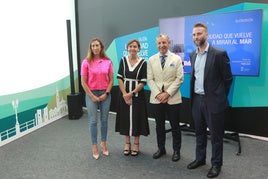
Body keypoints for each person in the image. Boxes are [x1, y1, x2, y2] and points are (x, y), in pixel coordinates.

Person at [187, 23, 233, 178]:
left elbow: (227, 79)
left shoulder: (219, 54)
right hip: (197, 101)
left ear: (206, 35)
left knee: (216, 136)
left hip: (213, 102)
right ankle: (200, 159)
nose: (196, 37)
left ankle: (216, 164)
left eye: (199, 34)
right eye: (193, 34)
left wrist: (219, 97)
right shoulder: (193, 55)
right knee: (199, 133)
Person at [147, 34, 184, 162]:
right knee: (159, 125)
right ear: (156, 45)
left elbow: (179, 79)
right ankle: (161, 148)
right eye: (159, 43)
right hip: (157, 98)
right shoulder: (151, 60)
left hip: (172, 98)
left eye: (164, 42)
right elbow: (150, 79)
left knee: (175, 126)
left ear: (169, 43)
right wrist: (158, 94)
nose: (162, 45)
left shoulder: (177, 59)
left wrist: (167, 93)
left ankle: (176, 151)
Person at [81, 38, 114, 160]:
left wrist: (106, 93)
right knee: (93, 121)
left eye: (97, 45)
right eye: (93, 45)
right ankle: (94, 146)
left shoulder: (108, 62)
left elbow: (111, 80)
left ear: (101, 47)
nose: (95, 47)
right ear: (91, 48)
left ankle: (103, 144)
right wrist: (92, 96)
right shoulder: (86, 62)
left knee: (104, 120)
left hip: (106, 93)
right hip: (91, 93)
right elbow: (83, 82)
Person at [115, 39, 149, 156]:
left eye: (135, 46)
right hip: (124, 95)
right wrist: (125, 94)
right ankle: (127, 143)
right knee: (125, 118)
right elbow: (119, 78)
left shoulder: (144, 62)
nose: (132, 48)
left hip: (137, 96)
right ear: (127, 48)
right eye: (130, 46)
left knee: (137, 118)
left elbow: (143, 81)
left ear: (139, 49)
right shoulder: (123, 60)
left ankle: (136, 144)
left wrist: (132, 94)